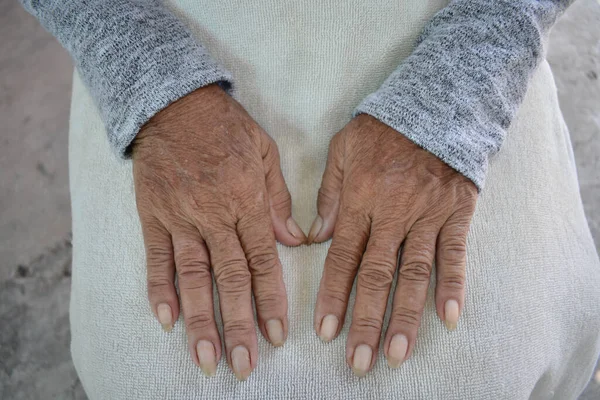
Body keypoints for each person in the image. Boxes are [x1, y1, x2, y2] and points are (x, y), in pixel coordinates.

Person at [21, 0, 600, 398]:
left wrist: (451, 103)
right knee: (147, 377)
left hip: (469, 23)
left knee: (484, 370)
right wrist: (154, 90)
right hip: (151, 28)